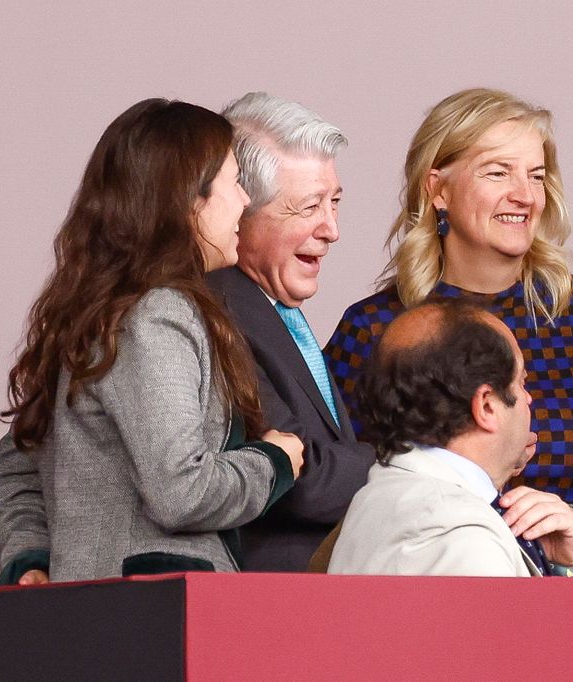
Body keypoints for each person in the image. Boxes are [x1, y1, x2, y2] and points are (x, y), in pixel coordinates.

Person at [0, 99, 304, 583]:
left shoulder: (99, 312)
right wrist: (274, 461)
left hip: (113, 614)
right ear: (189, 198)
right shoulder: (157, 314)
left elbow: (14, 471)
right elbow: (182, 492)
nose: (245, 200)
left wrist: (32, 559)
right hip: (156, 617)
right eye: (235, 181)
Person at [325, 88, 573, 510]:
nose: (525, 195)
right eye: (498, 173)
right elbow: (340, 486)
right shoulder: (375, 328)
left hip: (567, 572)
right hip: (428, 572)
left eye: (536, 175)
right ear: (438, 190)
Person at [205, 92, 374, 571]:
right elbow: (301, 480)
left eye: (335, 203)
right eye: (309, 207)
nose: (332, 230)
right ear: (241, 207)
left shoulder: (273, 306)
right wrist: (416, 470)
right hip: (265, 607)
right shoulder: (214, 309)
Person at [328, 301, 573, 577]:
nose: (528, 398)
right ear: (486, 406)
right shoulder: (464, 537)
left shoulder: (385, 495)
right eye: (521, 382)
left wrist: (571, 568)